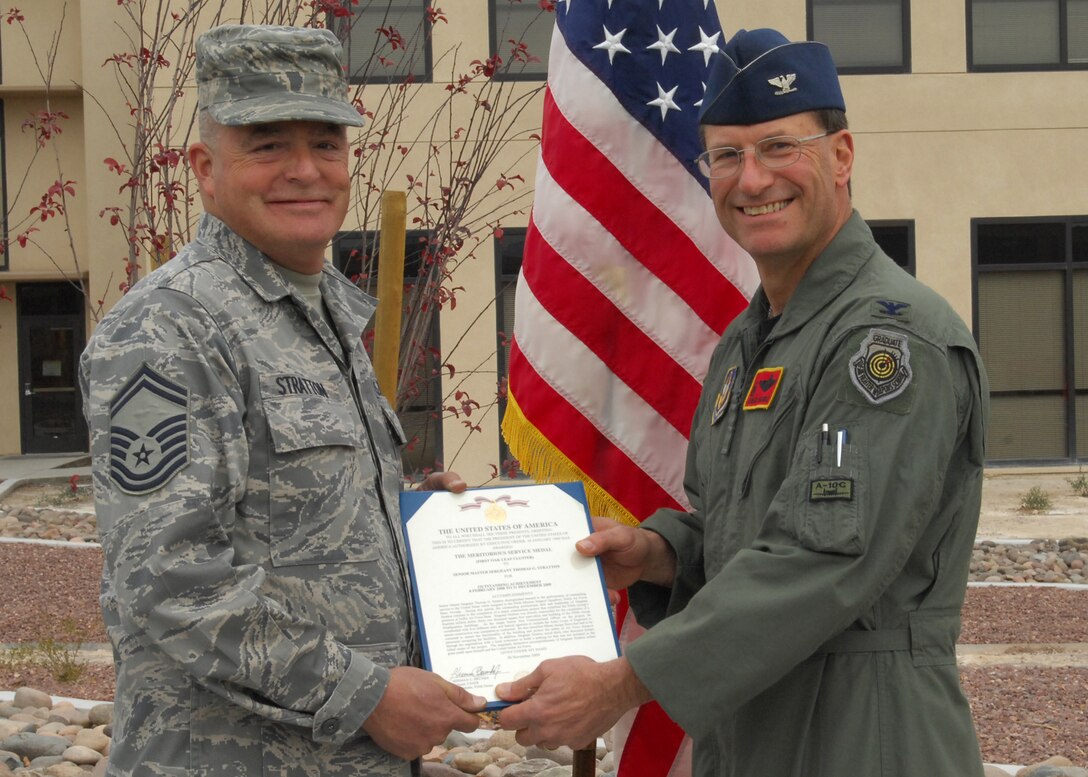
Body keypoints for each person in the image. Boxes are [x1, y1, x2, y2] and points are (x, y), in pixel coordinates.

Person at [496, 27, 989, 777]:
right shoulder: (748, 343)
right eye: (727, 155)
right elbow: (750, 531)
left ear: (842, 155)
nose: (753, 179)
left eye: (780, 147)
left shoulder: (889, 343)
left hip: (864, 735)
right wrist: (659, 555)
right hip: (752, 729)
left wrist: (625, 682)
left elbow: (820, 561)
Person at [80, 24, 484, 776]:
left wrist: (419, 526)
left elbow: (293, 522)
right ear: (205, 166)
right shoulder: (170, 327)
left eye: (326, 143)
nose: (306, 170)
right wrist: (365, 694)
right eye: (267, 144)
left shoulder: (323, 309)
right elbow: (169, 579)